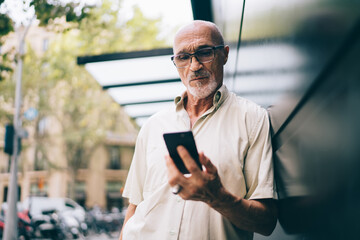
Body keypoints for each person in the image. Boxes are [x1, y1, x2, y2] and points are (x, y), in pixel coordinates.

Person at [119, 20, 277, 240]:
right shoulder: (153, 125)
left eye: (204, 53)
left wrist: (217, 197)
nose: (194, 66)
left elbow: (266, 222)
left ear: (225, 55)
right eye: (183, 57)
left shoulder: (253, 119)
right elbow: (135, 207)